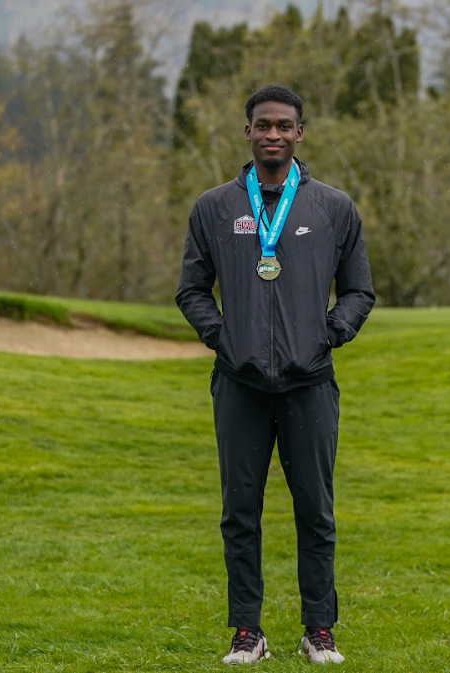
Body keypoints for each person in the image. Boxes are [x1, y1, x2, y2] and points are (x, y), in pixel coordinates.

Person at [176, 84, 375, 664]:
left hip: (309, 384)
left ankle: (319, 629)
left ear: (299, 133)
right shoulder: (214, 208)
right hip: (239, 386)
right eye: (263, 125)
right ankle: (247, 632)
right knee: (240, 513)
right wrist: (223, 337)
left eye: (284, 126)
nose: (273, 135)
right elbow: (191, 290)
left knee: (316, 511)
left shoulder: (333, 208)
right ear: (247, 133)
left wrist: (330, 334)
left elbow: (360, 290)